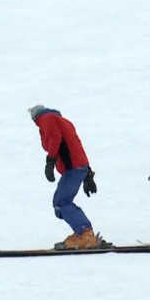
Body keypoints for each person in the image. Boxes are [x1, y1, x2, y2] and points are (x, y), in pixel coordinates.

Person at [29, 105, 99, 249]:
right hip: (77, 167)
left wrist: (50, 161)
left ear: (36, 116)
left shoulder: (47, 119)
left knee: (61, 203)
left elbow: (55, 139)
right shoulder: (63, 120)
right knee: (61, 204)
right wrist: (88, 173)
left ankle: (85, 234)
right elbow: (76, 145)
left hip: (73, 168)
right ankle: (83, 232)